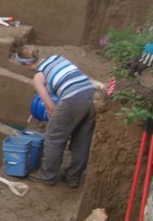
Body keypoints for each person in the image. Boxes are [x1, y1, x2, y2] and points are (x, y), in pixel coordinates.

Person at [16, 46, 96, 188]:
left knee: (53, 138)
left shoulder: (38, 77)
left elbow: (50, 106)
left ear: (28, 64)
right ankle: (73, 177)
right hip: (91, 96)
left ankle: (48, 176)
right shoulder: (57, 58)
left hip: (72, 99)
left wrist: (54, 118)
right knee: (82, 141)